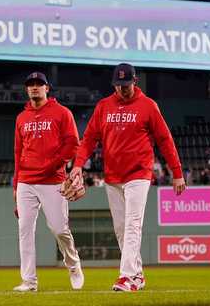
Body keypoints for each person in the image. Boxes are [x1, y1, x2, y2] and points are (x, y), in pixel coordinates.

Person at [68, 63, 186, 292]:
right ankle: (138, 275)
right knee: (121, 228)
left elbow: (165, 140)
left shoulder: (148, 106)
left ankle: (127, 277)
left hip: (139, 173)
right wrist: (78, 165)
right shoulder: (104, 106)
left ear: (135, 82)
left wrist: (177, 173)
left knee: (133, 224)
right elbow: (90, 138)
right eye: (118, 85)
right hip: (112, 176)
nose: (121, 89)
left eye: (126, 84)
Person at [12, 72, 84, 292]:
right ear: (27, 90)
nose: (34, 88)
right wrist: (16, 186)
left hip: (53, 180)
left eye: (39, 84)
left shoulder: (62, 113)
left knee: (59, 229)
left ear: (47, 89)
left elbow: (73, 144)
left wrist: (54, 164)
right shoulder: (21, 118)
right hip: (26, 180)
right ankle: (29, 281)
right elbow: (18, 152)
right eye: (30, 85)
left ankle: (73, 264)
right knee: (24, 229)